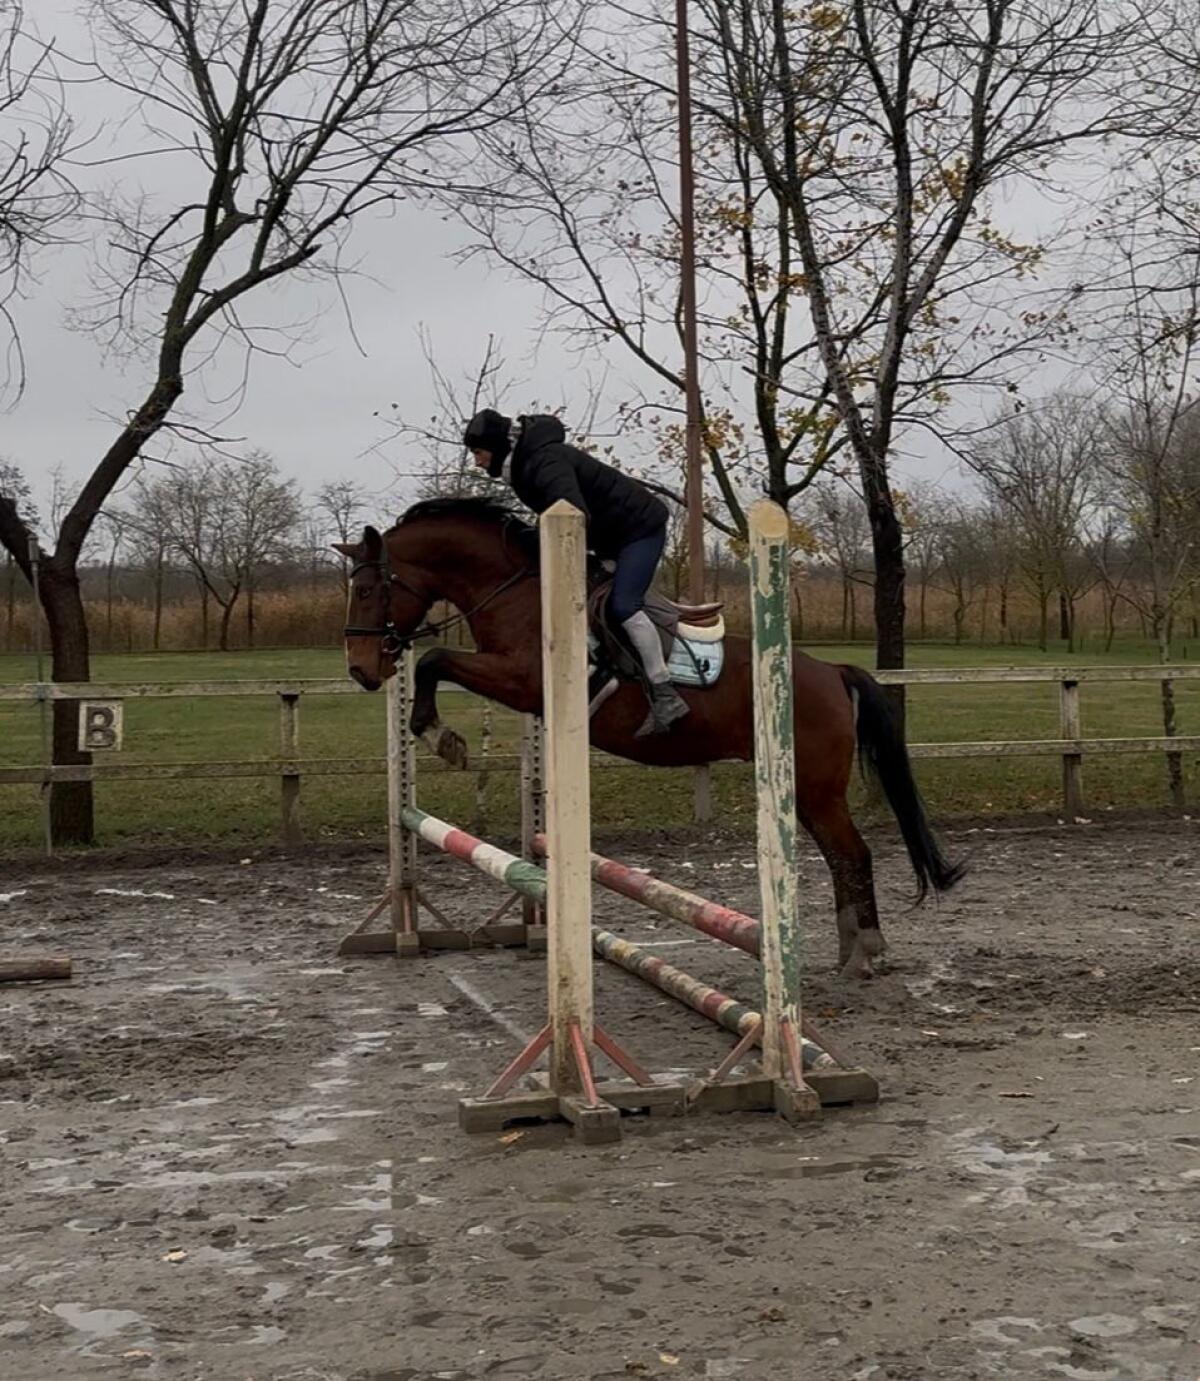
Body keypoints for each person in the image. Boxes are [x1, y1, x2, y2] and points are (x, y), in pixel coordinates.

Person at [463, 408, 690, 736]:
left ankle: (666, 692)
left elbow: (572, 516)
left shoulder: (545, 462)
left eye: (479, 453)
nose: (477, 462)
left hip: (640, 532)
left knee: (623, 606)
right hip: (611, 538)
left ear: (497, 448)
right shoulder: (526, 466)